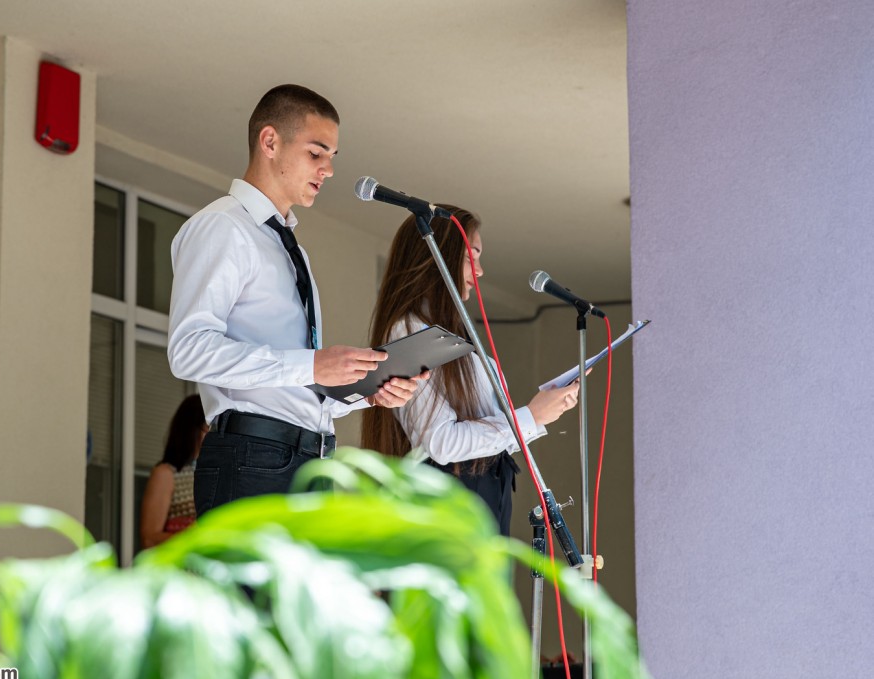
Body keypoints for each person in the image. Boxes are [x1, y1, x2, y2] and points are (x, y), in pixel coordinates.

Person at [168, 84, 425, 518]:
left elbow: (291, 386)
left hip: (307, 460)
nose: (328, 170)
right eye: (316, 153)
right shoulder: (222, 227)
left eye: (332, 157)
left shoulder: (288, 247)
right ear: (270, 142)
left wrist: (367, 390)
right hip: (253, 459)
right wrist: (312, 365)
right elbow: (188, 351)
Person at [361, 206, 581, 535]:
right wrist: (531, 417)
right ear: (436, 256)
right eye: (470, 256)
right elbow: (442, 443)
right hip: (446, 509)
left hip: (476, 500)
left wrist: (539, 413)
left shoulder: (452, 335)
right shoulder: (410, 329)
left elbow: (483, 438)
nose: (479, 271)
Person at [139, 394, 208, 549]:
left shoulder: (214, 473)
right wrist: (195, 537)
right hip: (180, 563)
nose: (213, 435)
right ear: (191, 428)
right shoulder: (166, 473)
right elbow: (149, 539)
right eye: (208, 427)